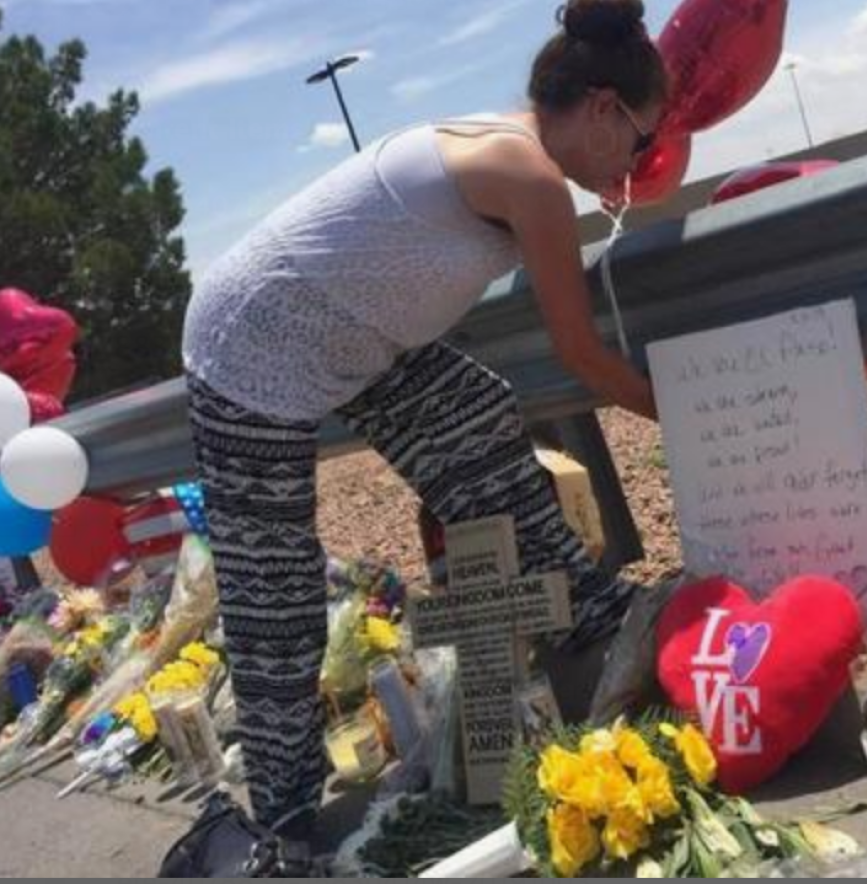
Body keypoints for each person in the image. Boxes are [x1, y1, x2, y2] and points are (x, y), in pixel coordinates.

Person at [179, 0, 668, 859]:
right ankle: (285, 820)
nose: (639, 163)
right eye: (639, 140)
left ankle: (585, 611)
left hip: (354, 334)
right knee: (278, 593)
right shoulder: (532, 180)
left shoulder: (512, 141)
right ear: (600, 107)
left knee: (472, 415)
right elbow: (583, 356)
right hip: (252, 344)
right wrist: (690, 407)